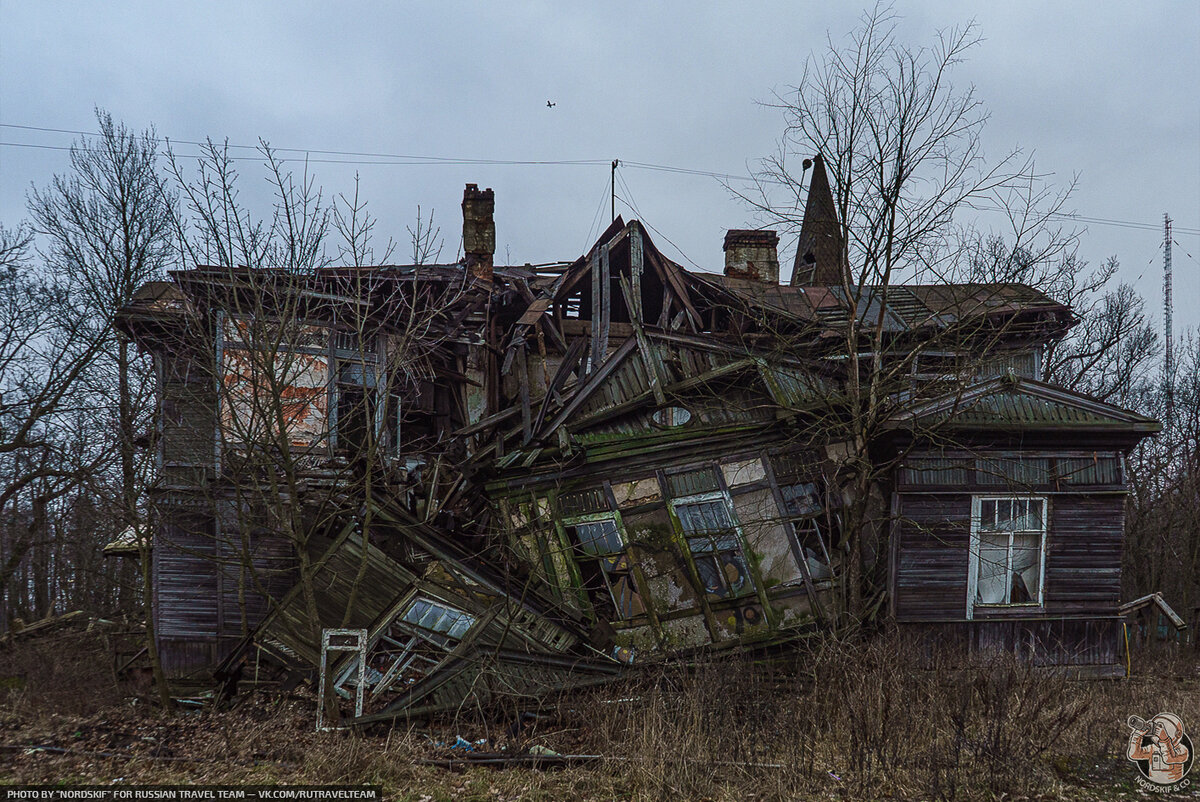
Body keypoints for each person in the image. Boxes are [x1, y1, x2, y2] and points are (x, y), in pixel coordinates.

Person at [1127, 713, 1190, 784]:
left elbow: (1168, 759)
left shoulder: (1182, 750)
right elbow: (1134, 755)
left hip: (1174, 786)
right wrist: (1137, 736)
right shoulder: (1153, 748)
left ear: (1178, 734)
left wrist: (1165, 739)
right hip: (1153, 785)